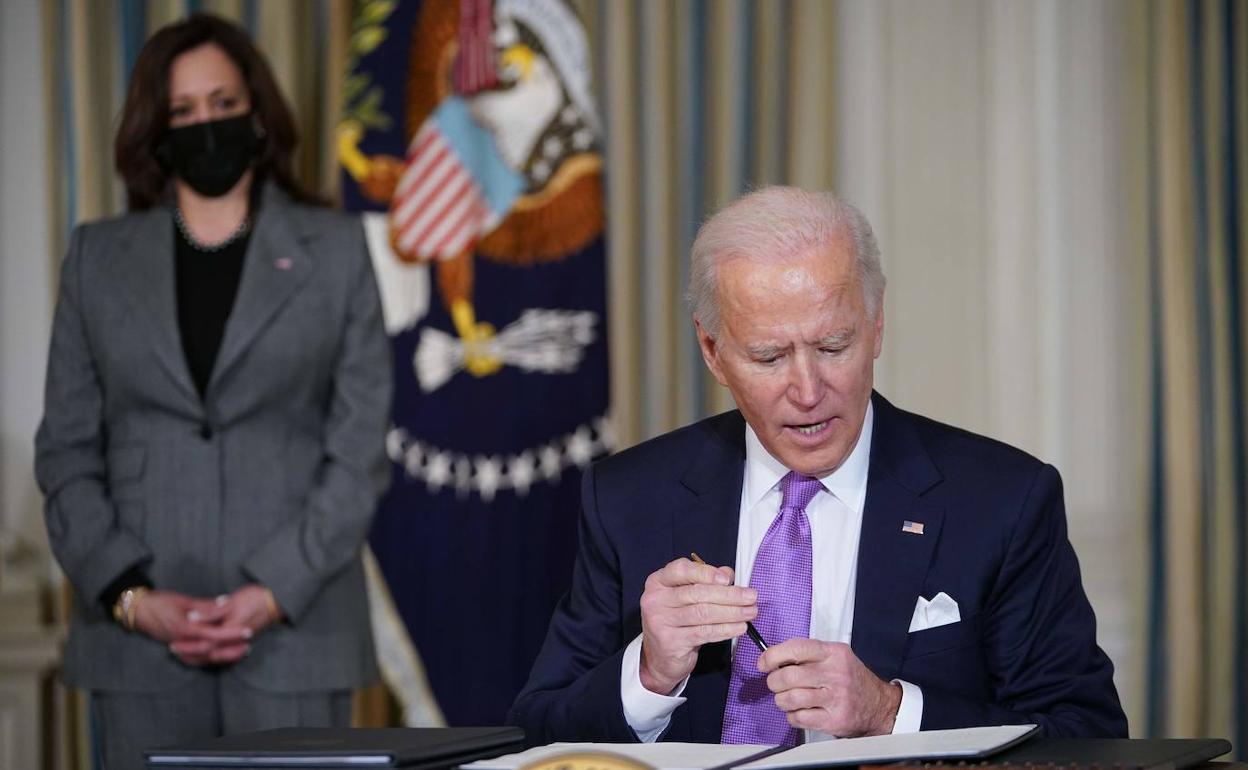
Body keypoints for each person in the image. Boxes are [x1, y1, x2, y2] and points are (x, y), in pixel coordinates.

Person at [508, 187, 1127, 745]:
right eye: (769, 356)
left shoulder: (1002, 501)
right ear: (713, 352)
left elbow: (1085, 734)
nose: (808, 390)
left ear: (876, 326)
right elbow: (538, 732)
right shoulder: (628, 498)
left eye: (833, 347)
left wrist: (889, 712)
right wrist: (650, 674)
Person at [34, 14, 391, 769]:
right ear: (155, 132)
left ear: (258, 114)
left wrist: (271, 590)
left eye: (223, 105)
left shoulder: (334, 251)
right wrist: (132, 597)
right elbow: (66, 452)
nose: (206, 126)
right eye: (184, 112)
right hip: (137, 647)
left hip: (297, 634)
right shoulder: (97, 258)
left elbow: (358, 451)